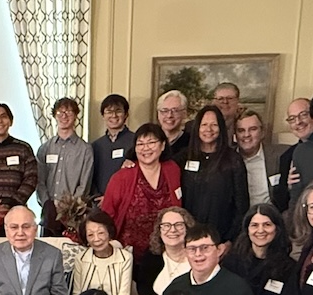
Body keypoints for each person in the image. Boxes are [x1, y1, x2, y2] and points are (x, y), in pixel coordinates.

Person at [100, 123, 183, 261]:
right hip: (129, 254)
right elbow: (107, 214)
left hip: (167, 251)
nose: (146, 148)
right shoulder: (122, 177)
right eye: (140, 144)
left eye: (151, 142)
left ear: (162, 145)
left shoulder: (172, 169)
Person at [178, 105, 249, 246]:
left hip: (221, 240)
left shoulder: (233, 159)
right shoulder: (183, 157)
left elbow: (241, 205)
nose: (208, 129)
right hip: (186, 239)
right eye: (204, 125)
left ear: (221, 128)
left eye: (214, 125)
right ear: (197, 127)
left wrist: (229, 241)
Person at [132, 206, 194, 295]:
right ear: (159, 231)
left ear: (188, 229)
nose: (172, 230)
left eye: (178, 225)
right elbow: (143, 284)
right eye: (166, 226)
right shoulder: (152, 256)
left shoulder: (196, 257)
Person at [222, 204, 301, 295]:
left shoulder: (289, 268)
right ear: (247, 229)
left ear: (277, 229)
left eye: (267, 224)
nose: (260, 230)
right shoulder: (231, 263)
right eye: (254, 225)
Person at [36, 97, 93, 235]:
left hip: (73, 215)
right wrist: (47, 203)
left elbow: (84, 184)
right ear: (55, 116)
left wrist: (70, 206)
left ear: (76, 116)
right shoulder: (45, 148)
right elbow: (39, 181)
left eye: (69, 112)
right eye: (60, 112)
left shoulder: (85, 149)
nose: (64, 116)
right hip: (49, 212)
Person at [71, 209, 133, 295]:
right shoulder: (81, 259)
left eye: (101, 233)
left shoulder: (125, 257)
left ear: (109, 233)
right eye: (90, 235)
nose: (96, 239)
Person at [235, 110, 287, 207]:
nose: (246, 135)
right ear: (235, 135)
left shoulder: (282, 155)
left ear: (262, 132)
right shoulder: (227, 160)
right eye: (241, 130)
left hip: (273, 216)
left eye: (253, 129)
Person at [89, 93, 135, 198]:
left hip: (127, 201)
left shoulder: (136, 141)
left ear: (126, 115)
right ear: (103, 115)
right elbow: (90, 176)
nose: (114, 115)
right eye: (109, 112)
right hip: (100, 203)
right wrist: (98, 197)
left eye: (118, 111)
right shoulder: (95, 146)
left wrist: (113, 197)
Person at [275, 98, 313, 210]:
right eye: (292, 119)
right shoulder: (287, 157)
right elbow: (281, 203)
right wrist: (289, 187)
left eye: (303, 115)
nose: (298, 122)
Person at [155, 90, 191, 159]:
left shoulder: (191, 142)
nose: (169, 115)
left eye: (175, 111)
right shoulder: (149, 140)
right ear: (158, 114)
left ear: (184, 114)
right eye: (165, 111)